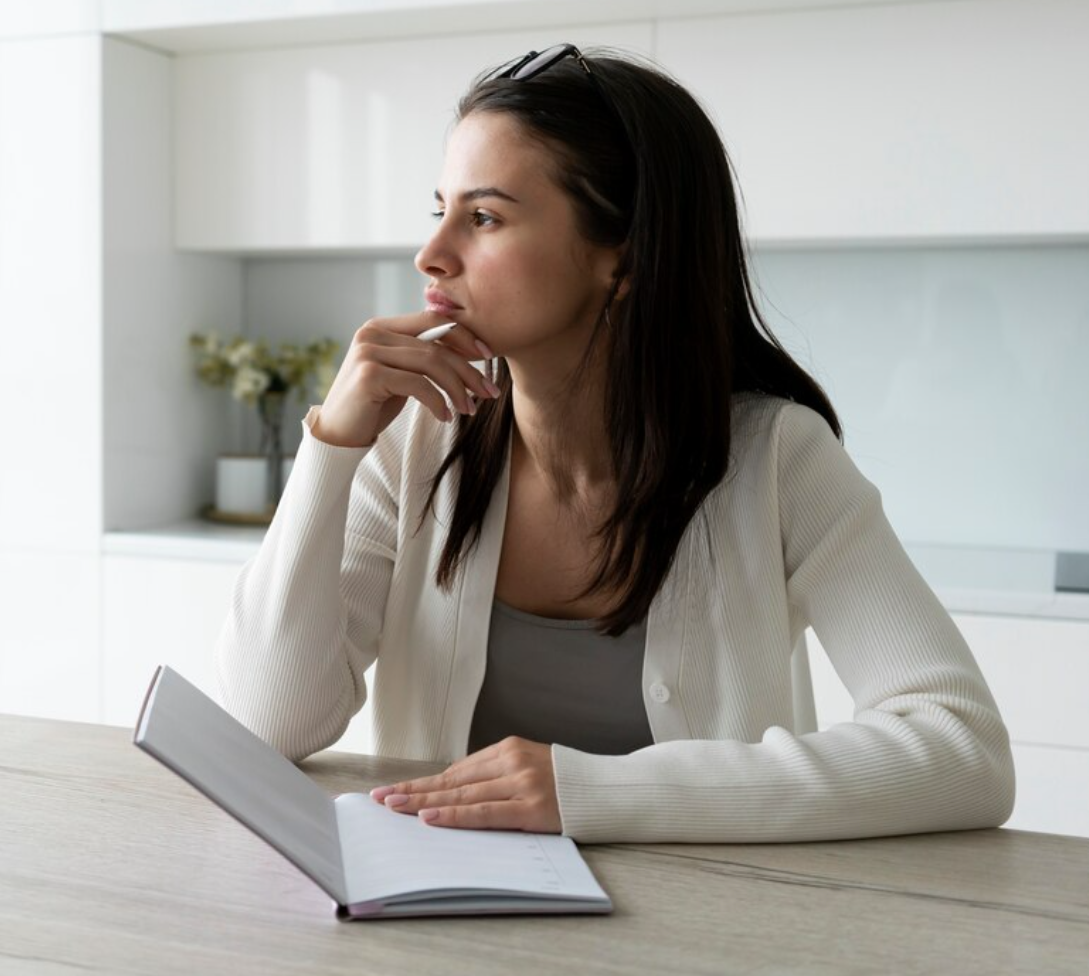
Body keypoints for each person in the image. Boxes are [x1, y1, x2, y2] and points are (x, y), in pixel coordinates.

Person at [215, 44, 1015, 843]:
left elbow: (961, 748)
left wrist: (590, 792)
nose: (432, 254)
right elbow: (268, 722)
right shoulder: (414, 446)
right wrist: (334, 444)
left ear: (622, 257)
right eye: (441, 211)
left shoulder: (777, 460)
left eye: (484, 217)